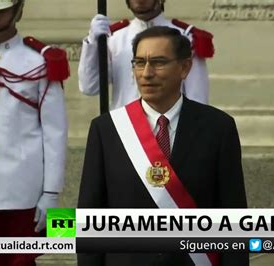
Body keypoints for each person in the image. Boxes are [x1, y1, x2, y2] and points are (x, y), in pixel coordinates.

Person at [77, 26, 247, 266]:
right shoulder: (106, 130)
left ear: (185, 67)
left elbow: (234, 217)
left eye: (158, 62)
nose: (146, 73)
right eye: (139, 62)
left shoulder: (218, 128)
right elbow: (90, 218)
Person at [0, 0, 69, 265]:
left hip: (25, 188)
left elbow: (55, 131)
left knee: (22, 260)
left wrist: (51, 193)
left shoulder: (40, 59)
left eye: (1, 9)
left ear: (18, 10)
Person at [78, 0, 213, 110]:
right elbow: (89, 87)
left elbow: (197, 98)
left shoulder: (186, 36)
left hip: (170, 132)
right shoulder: (114, 37)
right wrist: (92, 42)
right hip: (125, 130)